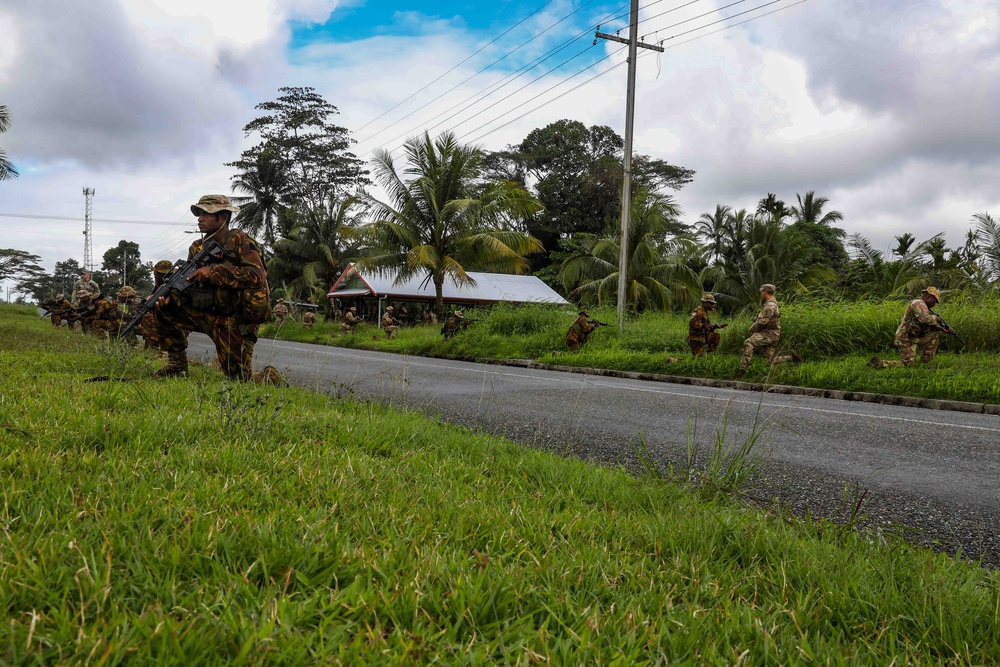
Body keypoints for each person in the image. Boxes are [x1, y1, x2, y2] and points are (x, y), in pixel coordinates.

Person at [153, 194, 277, 383]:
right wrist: (170, 295)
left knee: (240, 381)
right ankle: (177, 367)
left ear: (223, 217)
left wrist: (214, 272)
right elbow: (189, 280)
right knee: (163, 309)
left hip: (235, 319)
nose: (200, 218)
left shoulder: (241, 241)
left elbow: (256, 277)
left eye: (206, 214)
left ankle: (270, 377)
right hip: (207, 313)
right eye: (199, 213)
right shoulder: (197, 247)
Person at [870, 286, 952, 369]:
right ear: (929, 297)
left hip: (914, 336)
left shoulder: (923, 306)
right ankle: (880, 363)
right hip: (906, 337)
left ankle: (925, 362)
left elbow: (926, 326)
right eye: (935, 301)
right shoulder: (918, 303)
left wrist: (942, 329)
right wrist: (937, 319)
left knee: (934, 334)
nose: (934, 304)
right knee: (908, 365)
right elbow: (925, 319)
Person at [735, 284, 799, 379]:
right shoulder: (772, 304)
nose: (761, 293)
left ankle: (742, 370)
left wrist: (752, 329)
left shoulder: (770, 305)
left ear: (765, 292)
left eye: (762, 292)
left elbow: (762, 321)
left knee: (748, 342)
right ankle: (791, 358)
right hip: (773, 335)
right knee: (768, 360)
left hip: (768, 334)